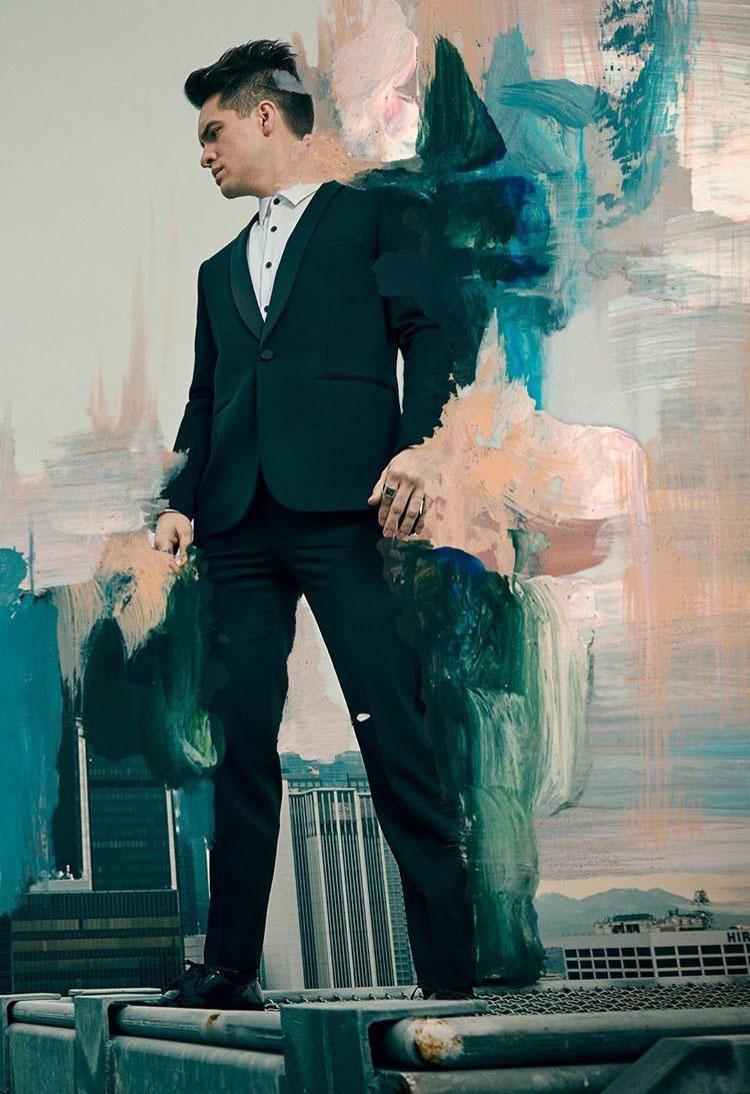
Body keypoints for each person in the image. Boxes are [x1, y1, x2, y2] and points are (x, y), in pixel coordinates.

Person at [151, 39, 476, 1009]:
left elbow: (431, 332)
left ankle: (450, 980)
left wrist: (419, 448)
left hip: (345, 510)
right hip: (236, 525)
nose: (203, 153)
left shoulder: (374, 215)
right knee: (242, 744)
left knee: (395, 731)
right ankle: (229, 969)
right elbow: (205, 397)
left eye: (212, 131)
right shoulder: (215, 271)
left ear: (265, 115)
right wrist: (177, 502)